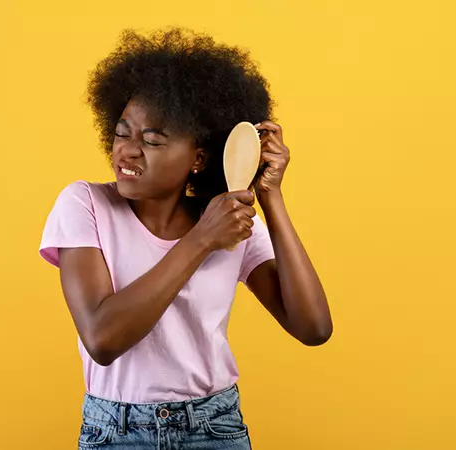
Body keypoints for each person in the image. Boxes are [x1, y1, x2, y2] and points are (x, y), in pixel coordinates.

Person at [39, 28, 332, 450]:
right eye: (122, 133)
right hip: (116, 433)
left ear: (199, 157)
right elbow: (103, 338)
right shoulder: (85, 205)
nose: (128, 151)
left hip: (214, 427)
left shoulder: (227, 221)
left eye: (152, 139)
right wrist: (200, 241)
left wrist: (270, 196)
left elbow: (313, 327)